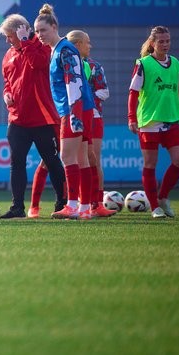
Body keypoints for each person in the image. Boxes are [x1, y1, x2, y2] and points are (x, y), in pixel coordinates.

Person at [0, 13, 67, 219]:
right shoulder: (9, 54)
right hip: (17, 119)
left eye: (10, 36)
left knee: (52, 162)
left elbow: (38, 64)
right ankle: (17, 207)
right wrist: (6, 94)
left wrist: (26, 42)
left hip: (43, 118)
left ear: (22, 32)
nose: (8, 40)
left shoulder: (43, 47)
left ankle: (62, 204)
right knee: (16, 162)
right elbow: (7, 81)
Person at [34, 4, 96, 220]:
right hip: (79, 108)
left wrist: (75, 113)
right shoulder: (58, 49)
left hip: (74, 108)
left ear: (54, 27)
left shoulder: (65, 49)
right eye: (37, 31)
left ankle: (72, 205)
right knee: (81, 158)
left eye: (43, 30)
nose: (39, 35)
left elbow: (74, 82)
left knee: (67, 156)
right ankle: (85, 208)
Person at [128, 25, 179, 218]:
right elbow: (133, 93)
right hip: (149, 121)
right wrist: (132, 118)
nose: (165, 44)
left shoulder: (176, 63)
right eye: (161, 41)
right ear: (152, 43)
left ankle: (163, 197)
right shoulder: (143, 64)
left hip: (171, 119)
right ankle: (154, 207)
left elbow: (177, 89)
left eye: (167, 41)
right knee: (150, 164)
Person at [67, 30, 116, 217]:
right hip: (73, 116)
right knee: (74, 159)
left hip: (93, 116)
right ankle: (77, 201)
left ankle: (96, 203)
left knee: (93, 158)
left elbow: (104, 92)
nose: (90, 46)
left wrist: (86, 100)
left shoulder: (95, 66)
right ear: (78, 44)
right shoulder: (66, 64)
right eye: (87, 42)